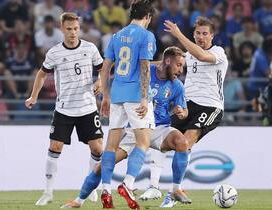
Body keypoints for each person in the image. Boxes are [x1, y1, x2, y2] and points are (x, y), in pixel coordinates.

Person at [61, 46, 192, 209]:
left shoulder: (177, 85)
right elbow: (122, 74)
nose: (180, 70)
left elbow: (185, 111)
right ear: (167, 61)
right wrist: (104, 88)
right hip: (136, 129)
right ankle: (78, 201)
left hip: (159, 129)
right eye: (179, 65)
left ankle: (175, 189)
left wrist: (181, 112)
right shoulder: (145, 71)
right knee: (102, 167)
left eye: (182, 66)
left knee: (182, 143)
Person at [25, 12, 104, 206]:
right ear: (62, 29)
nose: (73, 32)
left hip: (87, 107)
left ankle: (90, 187)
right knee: (55, 147)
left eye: (76, 28)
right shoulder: (54, 53)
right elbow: (41, 74)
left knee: (97, 149)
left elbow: (103, 69)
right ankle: (48, 192)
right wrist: (34, 96)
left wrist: (100, 81)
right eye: (69, 29)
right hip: (64, 109)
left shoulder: (90, 48)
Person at [151, 16, 228, 207]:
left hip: (210, 106)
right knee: (160, 141)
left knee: (184, 142)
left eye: (205, 33)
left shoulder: (218, 52)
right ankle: (153, 186)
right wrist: (142, 66)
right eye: (198, 33)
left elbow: (202, 56)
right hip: (186, 106)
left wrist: (178, 35)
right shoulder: (189, 54)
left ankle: (172, 193)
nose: (201, 37)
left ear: (212, 36)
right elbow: (166, 66)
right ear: (194, 34)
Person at [97, 1, 156, 209]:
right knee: (143, 142)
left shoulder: (116, 36)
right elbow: (145, 67)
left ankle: (106, 189)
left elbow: (105, 69)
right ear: (147, 16)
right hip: (134, 96)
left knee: (110, 146)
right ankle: (128, 184)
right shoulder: (146, 36)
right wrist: (143, 98)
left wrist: (105, 96)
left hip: (116, 95)